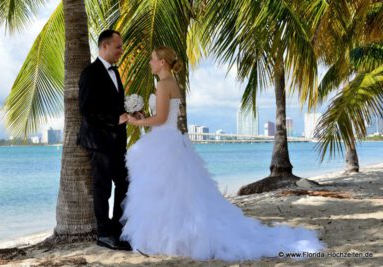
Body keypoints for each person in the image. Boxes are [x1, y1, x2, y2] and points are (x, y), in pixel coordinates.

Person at [121, 46, 325, 261]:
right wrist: (145, 116)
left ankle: (167, 239)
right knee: (174, 194)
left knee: (164, 193)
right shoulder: (172, 83)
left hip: (163, 141)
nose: (150, 63)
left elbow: (161, 119)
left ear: (162, 62)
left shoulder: (163, 84)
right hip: (171, 140)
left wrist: (137, 121)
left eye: (153, 59)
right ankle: (174, 238)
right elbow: (164, 116)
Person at [77, 29, 131, 251]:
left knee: (125, 183)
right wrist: (114, 118)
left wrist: (130, 113)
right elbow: (86, 108)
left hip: (117, 141)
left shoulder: (115, 72)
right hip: (99, 141)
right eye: (118, 46)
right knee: (102, 188)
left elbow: (116, 104)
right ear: (105, 46)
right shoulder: (90, 73)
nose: (121, 51)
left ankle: (117, 229)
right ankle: (104, 234)